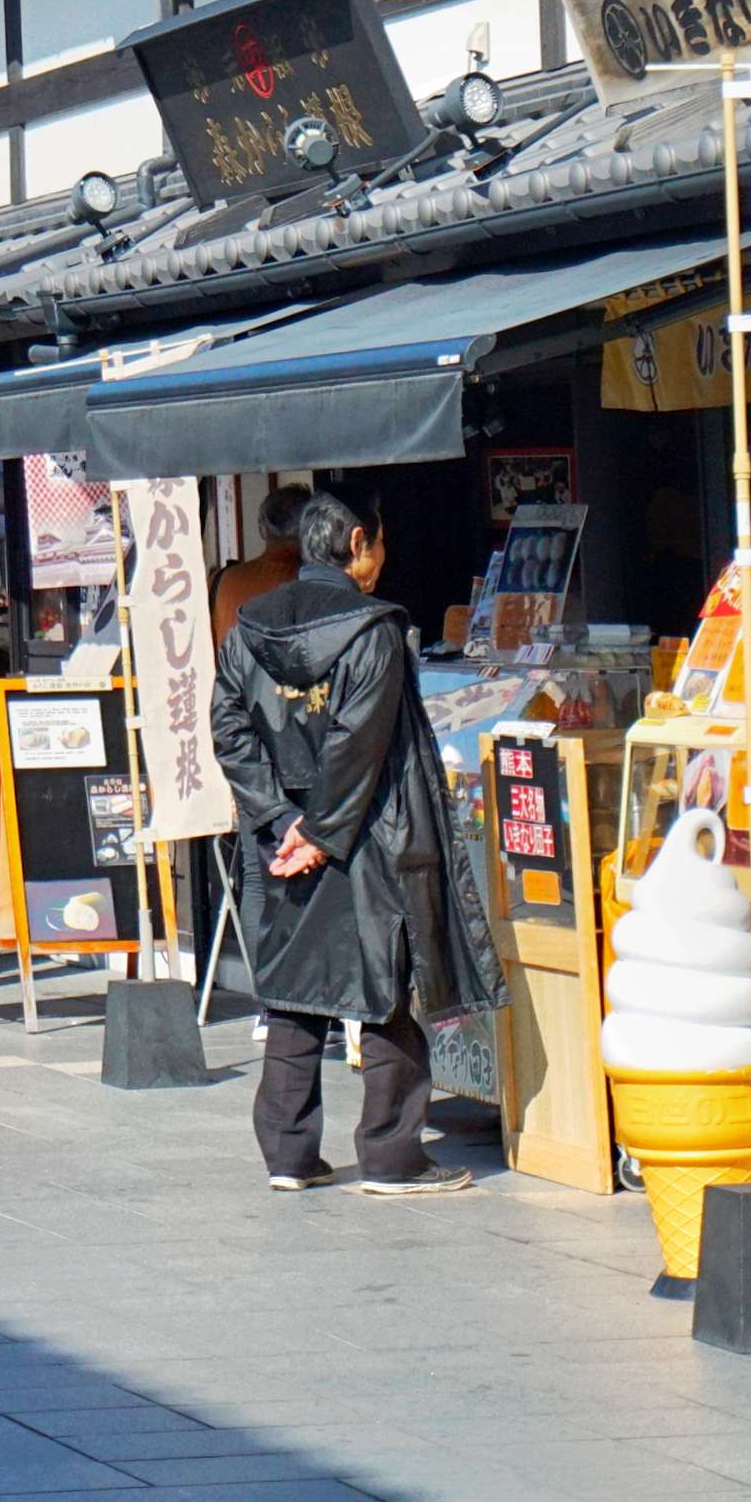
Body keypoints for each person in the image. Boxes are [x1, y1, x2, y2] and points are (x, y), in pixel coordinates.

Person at [204, 488, 502, 1196]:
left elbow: (229, 728)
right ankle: (392, 1153)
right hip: (369, 834)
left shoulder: (250, 625)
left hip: (282, 842)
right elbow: (360, 743)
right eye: (380, 544)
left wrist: (281, 821)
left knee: (295, 989)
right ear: (360, 543)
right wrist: (321, 832)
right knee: (385, 987)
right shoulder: (374, 629)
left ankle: (289, 1152)